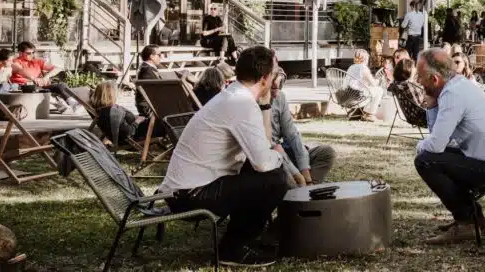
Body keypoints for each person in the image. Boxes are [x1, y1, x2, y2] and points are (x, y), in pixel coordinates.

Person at [160, 46, 288, 267]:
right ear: (265, 78)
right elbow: (264, 161)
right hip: (190, 196)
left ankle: (243, 241)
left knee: (262, 171)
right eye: (275, 73)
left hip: (186, 190)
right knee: (274, 179)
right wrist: (278, 155)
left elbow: (263, 147)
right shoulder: (241, 104)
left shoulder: (235, 96)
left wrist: (265, 104)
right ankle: (233, 249)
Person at [413, 48, 485, 244]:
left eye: (420, 76)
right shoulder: (459, 86)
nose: (418, 81)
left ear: (434, 79)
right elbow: (440, 141)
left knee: (425, 161)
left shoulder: (452, 94)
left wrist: (419, 146)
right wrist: (431, 106)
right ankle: (472, 217)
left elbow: (435, 145)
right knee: (435, 157)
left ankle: (466, 221)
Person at [270, 68, 336, 186]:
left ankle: (306, 190)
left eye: (279, 78)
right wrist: (297, 175)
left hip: (284, 152)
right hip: (271, 158)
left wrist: (305, 171)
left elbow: (292, 135)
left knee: (326, 152)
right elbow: (270, 146)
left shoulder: (280, 97)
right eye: (272, 77)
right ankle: (300, 192)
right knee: (285, 177)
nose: (276, 83)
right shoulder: (251, 102)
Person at [89, 81, 161, 145]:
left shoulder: (108, 110)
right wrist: (137, 121)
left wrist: (137, 118)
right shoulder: (111, 113)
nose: (116, 94)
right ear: (110, 95)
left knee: (165, 119)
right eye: (115, 92)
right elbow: (128, 132)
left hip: (141, 129)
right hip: (138, 135)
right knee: (166, 122)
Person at [11, 41, 74, 113]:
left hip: (39, 86)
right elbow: (20, 70)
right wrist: (34, 79)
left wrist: (45, 78)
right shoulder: (15, 61)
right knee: (34, 88)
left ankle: (74, 104)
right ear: (20, 53)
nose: (32, 55)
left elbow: (58, 68)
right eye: (28, 53)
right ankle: (58, 104)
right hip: (24, 88)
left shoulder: (37, 61)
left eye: (33, 52)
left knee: (61, 85)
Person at [346, 50, 384, 121]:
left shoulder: (351, 67)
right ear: (365, 59)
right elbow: (374, 84)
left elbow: (356, 83)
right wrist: (378, 80)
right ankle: (370, 114)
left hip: (347, 94)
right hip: (357, 95)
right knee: (379, 90)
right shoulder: (364, 68)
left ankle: (359, 112)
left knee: (369, 90)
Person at [135, 44, 164, 117]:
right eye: (159, 55)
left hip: (149, 104)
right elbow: (153, 91)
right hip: (148, 107)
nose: (161, 57)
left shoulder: (146, 67)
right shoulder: (147, 70)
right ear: (151, 56)